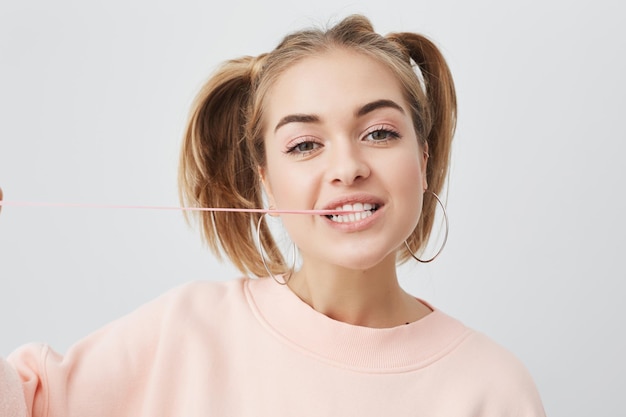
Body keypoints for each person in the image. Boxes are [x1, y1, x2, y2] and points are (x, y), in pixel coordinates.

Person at [0, 15, 545, 416]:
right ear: (263, 176)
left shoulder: (493, 387)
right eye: (306, 144)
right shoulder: (184, 332)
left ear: (423, 157)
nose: (348, 167)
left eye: (379, 133)